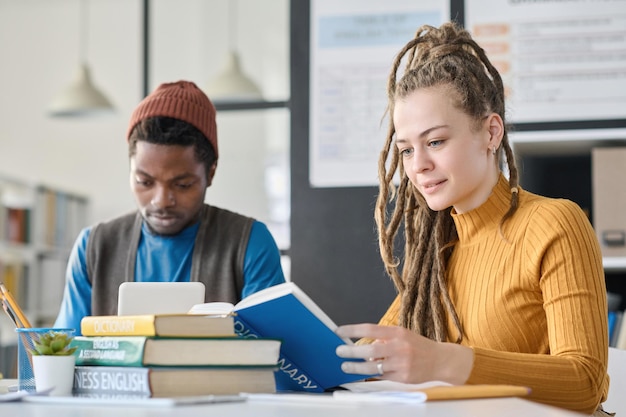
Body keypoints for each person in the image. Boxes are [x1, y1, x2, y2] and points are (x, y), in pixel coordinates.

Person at [334, 22, 610, 416]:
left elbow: (587, 382)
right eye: (407, 150)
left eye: (435, 142)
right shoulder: (437, 256)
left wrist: (446, 362)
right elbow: (373, 356)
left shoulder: (555, 223)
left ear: (491, 133)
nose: (419, 166)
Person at [55, 80, 285, 334]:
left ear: (211, 172)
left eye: (183, 184)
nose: (161, 200)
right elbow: (63, 352)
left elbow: (274, 352)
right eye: (145, 182)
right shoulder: (94, 248)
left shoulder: (250, 243)